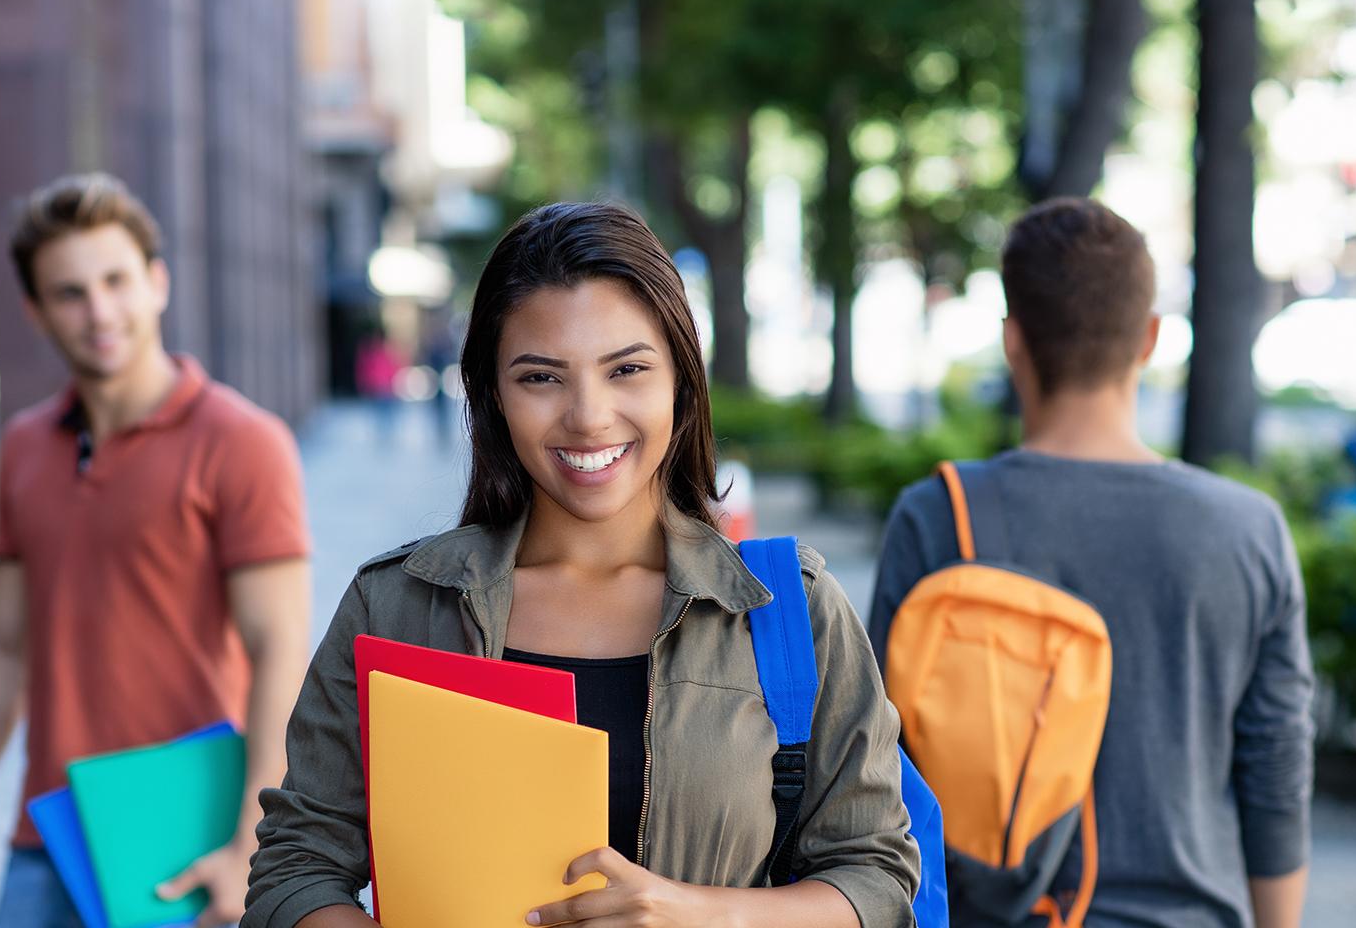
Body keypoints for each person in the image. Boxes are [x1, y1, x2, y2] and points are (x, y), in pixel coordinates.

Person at [245, 202, 918, 928]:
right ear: (493, 396)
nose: (589, 416)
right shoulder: (399, 607)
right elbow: (295, 866)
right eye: (541, 377)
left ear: (682, 382)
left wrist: (703, 914)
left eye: (627, 368)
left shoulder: (790, 609)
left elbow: (877, 875)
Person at [868, 198, 1314, 928]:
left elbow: (879, 768)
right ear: (1150, 338)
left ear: (1014, 341)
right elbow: (1277, 769)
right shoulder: (1249, 529)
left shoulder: (940, 515)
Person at [0, 174, 313, 928]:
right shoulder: (25, 446)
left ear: (157, 283)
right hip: (47, 836)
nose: (99, 311)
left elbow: (280, 650)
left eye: (116, 281)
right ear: (35, 313)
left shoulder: (243, 443)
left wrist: (251, 845)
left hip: (179, 838)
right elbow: (2, 646)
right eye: (69, 293)